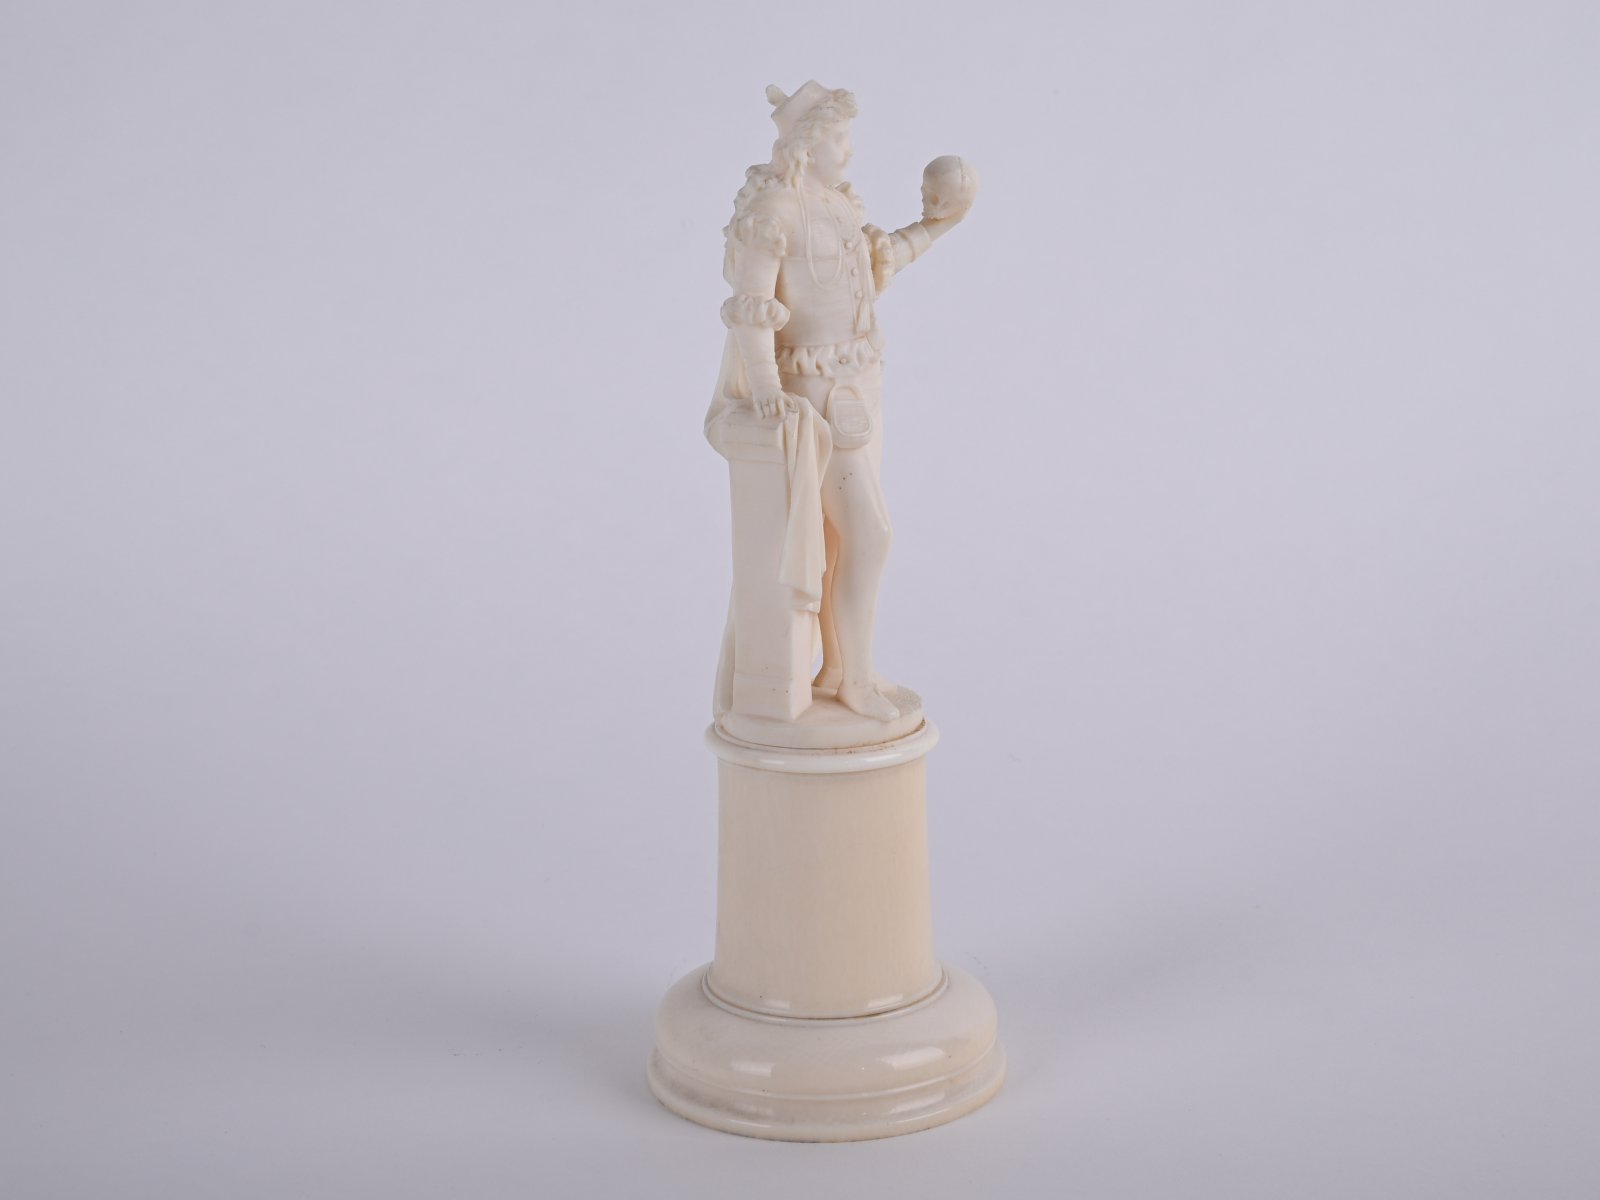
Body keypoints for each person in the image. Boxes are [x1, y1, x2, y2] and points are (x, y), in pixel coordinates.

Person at [706, 81, 976, 722]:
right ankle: (854, 679)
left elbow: (876, 269)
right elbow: (751, 310)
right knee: (870, 535)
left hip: (860, 385)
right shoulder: (775, 211)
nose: (848, 152)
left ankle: (840, 667)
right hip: (817, 396)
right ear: (807, 144)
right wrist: (767, 391)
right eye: (838, 138)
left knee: (837, 539)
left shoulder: (836, 204)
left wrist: (936, 227)